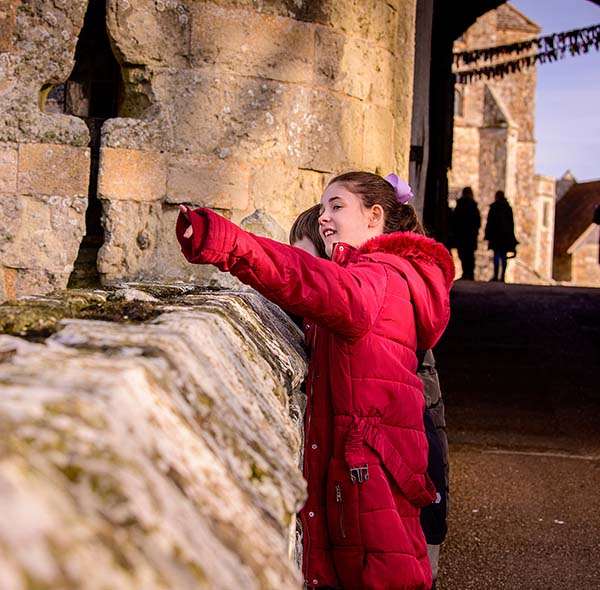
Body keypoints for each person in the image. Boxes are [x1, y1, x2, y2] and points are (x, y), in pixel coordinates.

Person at [176, 171, 454, 589]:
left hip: (367, 481)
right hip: (368, 473)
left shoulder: (376, 278)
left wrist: (226, 241)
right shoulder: (388, 275)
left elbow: (305, 278)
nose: (324, 217)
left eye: (336, 206)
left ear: (374, 216)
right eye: (323, 207)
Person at [290, 207, 450, 590]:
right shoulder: (394, 294)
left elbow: (417, 418)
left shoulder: (371, 305)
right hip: (411, 475)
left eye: (309, 263)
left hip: (405, 479)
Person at [484, 190, 518, 282]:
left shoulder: (494, 208)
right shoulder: (507, 208)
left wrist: (487, 235)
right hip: (505, 236)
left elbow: (490, 223)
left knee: (497, 255)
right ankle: (502, 276)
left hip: (496, 236)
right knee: (503, 256)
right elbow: (511, 224)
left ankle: (496, 275)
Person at [451, 187, 481, 280]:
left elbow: (455, 220)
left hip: (461, 235)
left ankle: (466, 273)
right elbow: (477, 221)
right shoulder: (473, 205)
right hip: (470, 235)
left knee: (463, 254)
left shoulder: (460, 205)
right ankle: (470, 274)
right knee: (470, 255)